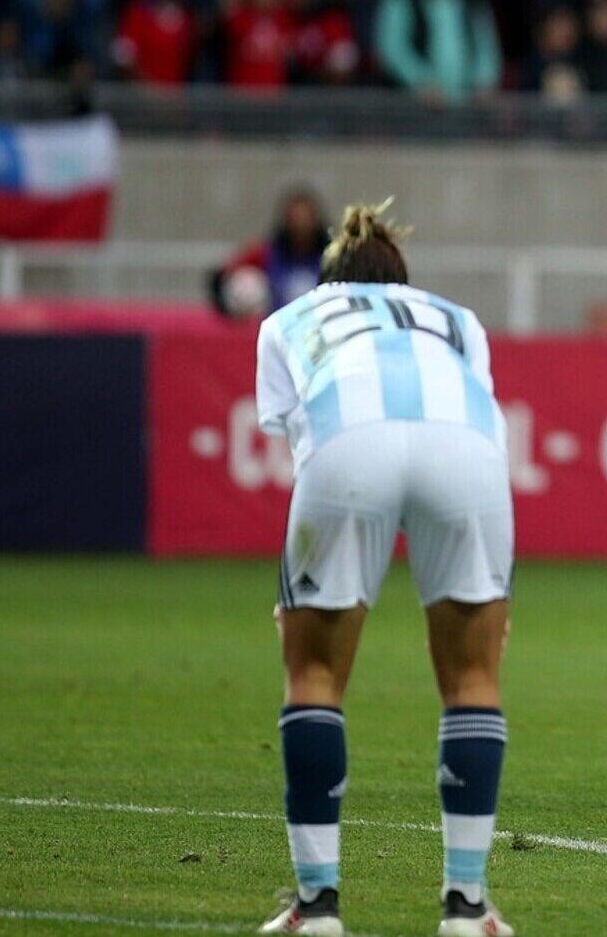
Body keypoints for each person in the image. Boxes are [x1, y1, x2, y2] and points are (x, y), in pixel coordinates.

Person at [253, 201, 515, 936]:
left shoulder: (290, 317)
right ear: (403, 278)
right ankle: (466, 906)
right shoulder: (458, 318)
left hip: (347, 439)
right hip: (466, 448)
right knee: (473, 674)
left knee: (314, 675)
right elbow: (480, 404)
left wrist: (303, 592)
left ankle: (318, 906)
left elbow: (297, 435)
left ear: (331, 277)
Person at [213, 184, 327, 317]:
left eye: (306, 219)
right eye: (296, 219)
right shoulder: (268, 253)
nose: (301, 225)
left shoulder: (334, 258)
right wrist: (229, 305)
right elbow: (221, 274)